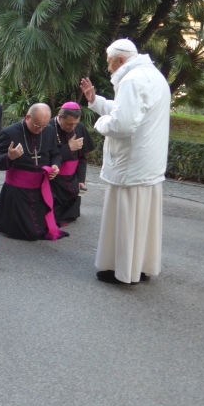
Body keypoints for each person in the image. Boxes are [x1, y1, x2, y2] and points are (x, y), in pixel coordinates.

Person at [79, 38, 170, 285]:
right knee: (143, 221)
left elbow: (122, 123)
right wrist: (95, 101)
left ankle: (122, 271)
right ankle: (139, 267)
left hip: (131, 164)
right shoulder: (153, 76)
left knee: (126, 218)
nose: (108, 68)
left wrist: (98, 124)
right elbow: (127, 110)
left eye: (109, 63)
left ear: (120, 60)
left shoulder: (131, 80)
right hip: (147, 162)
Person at [0, 103, 66, 241]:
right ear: (27, 117)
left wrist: (56, 166)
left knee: (42, 230)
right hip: (17, 193)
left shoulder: (49, 131)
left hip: (40, 190)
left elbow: (55, 154)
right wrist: (9, 157)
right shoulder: (10, 133)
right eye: (37, 125)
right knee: (27, 233)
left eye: (44, 126)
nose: (40, 130)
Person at [50, 101, 95, 225]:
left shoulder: (79, 127)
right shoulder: (48, 128)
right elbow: (47, 157)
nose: (72, 127)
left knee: (72, 214)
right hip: (54, 180)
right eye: (69, 124)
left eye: (75, 123)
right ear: (60, 117)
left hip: (72, 178)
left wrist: (81, 180)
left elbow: (82, 158)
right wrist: (68, 148)